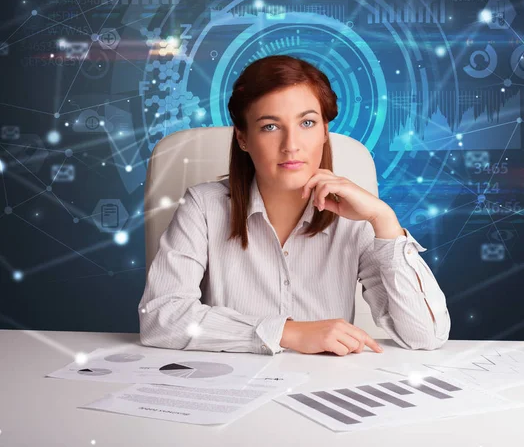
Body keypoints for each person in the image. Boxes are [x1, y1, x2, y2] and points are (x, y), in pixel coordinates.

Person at [138, 55, 451, 356]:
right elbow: (161, 319)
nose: (291, 145)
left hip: (326, 390)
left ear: (325, 132)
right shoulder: (204, 207)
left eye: (307, 123)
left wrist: (384, 220)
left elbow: (426, 336)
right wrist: (289, 332)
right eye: (270, 126)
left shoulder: (358, 218)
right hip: (230, 388)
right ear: (244, 138)